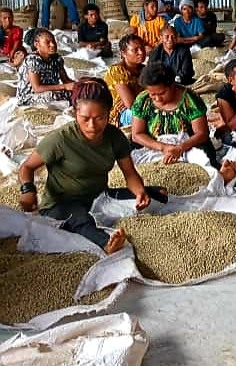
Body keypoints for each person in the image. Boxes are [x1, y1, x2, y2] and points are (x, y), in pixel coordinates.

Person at [17, 78, 151, 254]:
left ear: (109, 113)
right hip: (61, 204)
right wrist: (27, 190)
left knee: (157, 195)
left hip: (99, 198)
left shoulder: (115, 137)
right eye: (85, 118)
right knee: (79, 219)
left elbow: (130, 173)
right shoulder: (61, 139)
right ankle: (106, 243)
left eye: (100, 118)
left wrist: (140, 192)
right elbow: (26, 167)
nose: (92, 125)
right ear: (75, 113)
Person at [131, 61, 233, 180]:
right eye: (152, 94)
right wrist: (164, 147)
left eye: (162, 93)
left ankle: (220, 176)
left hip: (188, 144)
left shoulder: (190, 100)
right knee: (129, 155)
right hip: (154, 144)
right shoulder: (143, 100)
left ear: (172, 85)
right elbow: (137, 134)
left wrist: (179, 148)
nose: (157, 98)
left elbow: (202, 134)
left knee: (204, 160)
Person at [17, 29, 73, 105]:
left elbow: (66, 80)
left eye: (53, 41)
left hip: (50, 91)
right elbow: (37, 88)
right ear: (37, 44)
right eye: (47, 42)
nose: (52, 45)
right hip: (29, 97)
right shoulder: (33, 60)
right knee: (52, 96)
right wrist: (64, 86)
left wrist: (80, 84)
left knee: (74, 93)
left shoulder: (57, 59)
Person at [104, 35, 146, 126]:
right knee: (143, 113)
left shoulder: (145, 70)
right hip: (120, 115)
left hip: (140, 107)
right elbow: (131, 104)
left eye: (142, 48)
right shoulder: (116, 71)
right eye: (135, 50)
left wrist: (135, 96)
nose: (141, 52)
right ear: (124, 53)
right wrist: (144, 96)